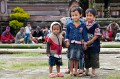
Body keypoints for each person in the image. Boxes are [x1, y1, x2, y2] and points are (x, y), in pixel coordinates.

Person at [65, 6, 88, 76]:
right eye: (73, 15)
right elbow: (67, 34)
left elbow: (84, 35)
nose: (74, 17)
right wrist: (67, 41)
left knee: (77, 58)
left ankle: (76, 71)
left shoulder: (83, 25)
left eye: (76, 15)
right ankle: (71, 71)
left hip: (79, 44)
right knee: (71, 58)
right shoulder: (69, 25)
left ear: (80, 15)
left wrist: (85, 43)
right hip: (71, 44)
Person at [84, 8, 101, 77]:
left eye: (90, 15)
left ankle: (93, 72)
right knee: (86, 58)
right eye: (87, 15)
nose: (88, 17)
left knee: (94, 58)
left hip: (94, 45)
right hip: (86, 45)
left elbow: (97, 35)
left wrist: (90, 41)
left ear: (94, 17)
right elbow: (82, 34)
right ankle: (87, 71)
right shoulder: (84, 24)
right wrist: (85, 43)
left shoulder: (96, 25)